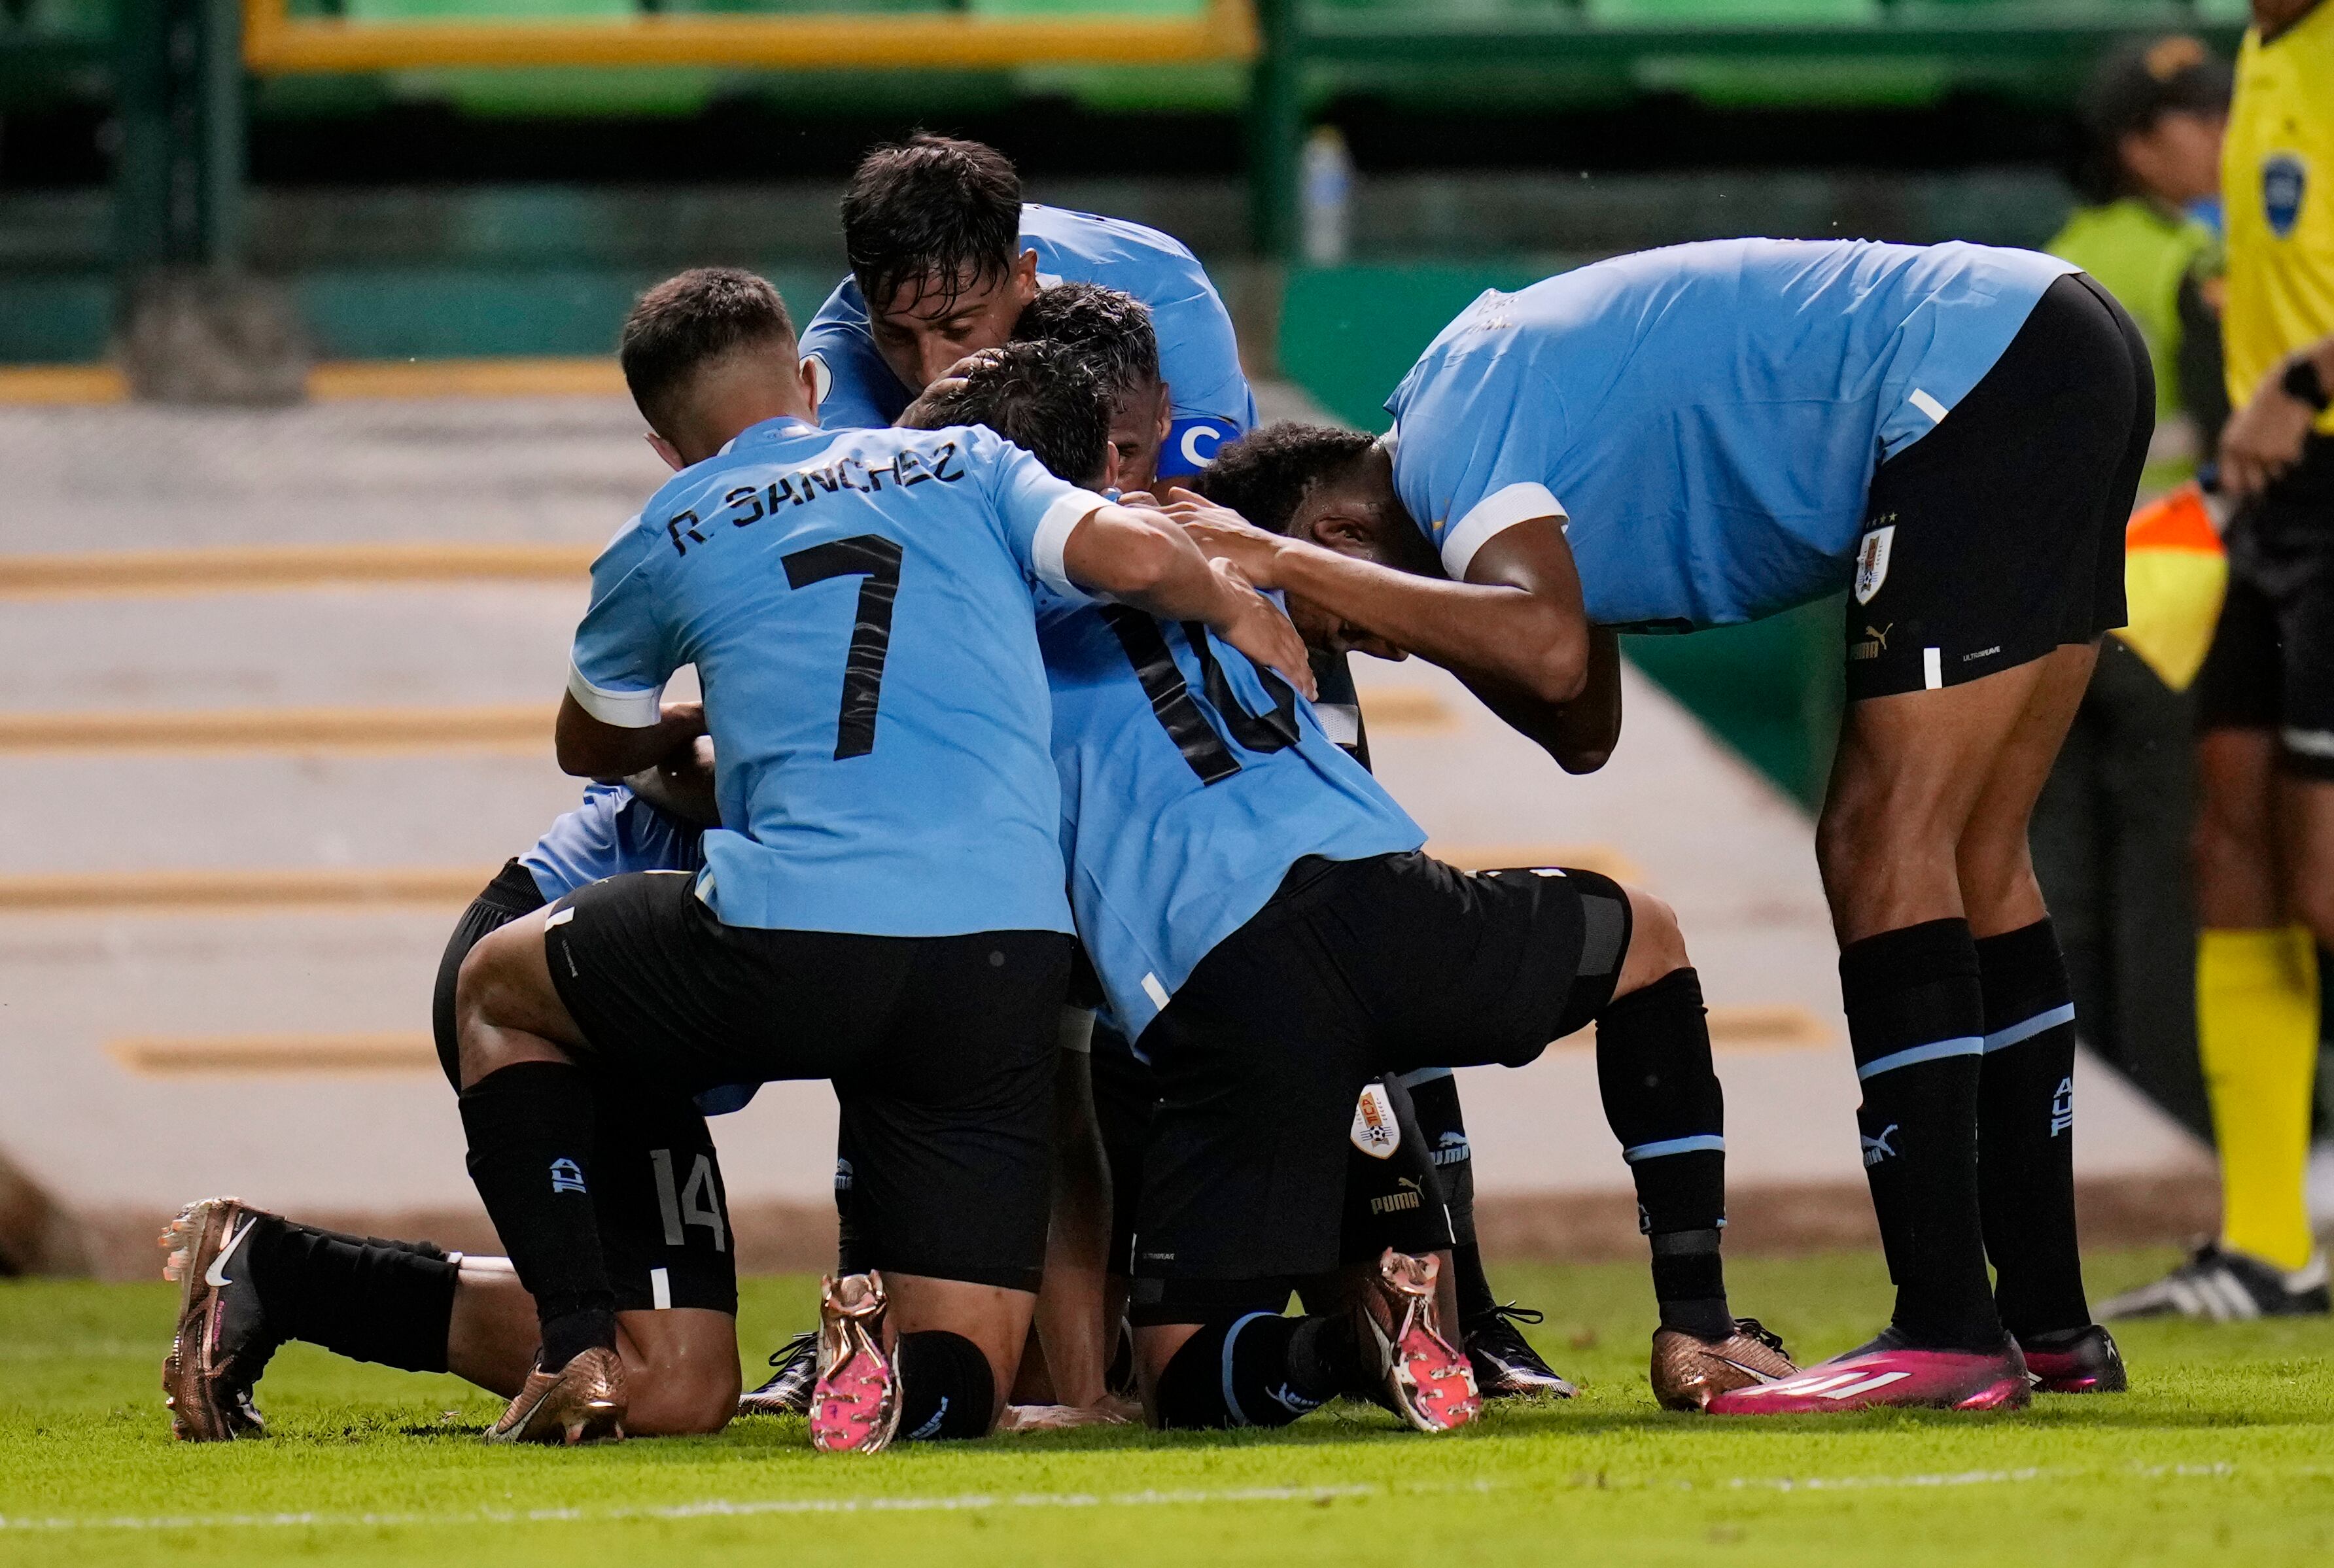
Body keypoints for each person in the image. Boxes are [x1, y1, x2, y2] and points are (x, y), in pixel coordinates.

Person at [1189, 235, 2157, 1412]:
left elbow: (1548, 650)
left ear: (1337, 535)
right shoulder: (1482, 425)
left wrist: (1282, 568)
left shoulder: (1447, 439)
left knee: (1875, 837)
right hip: (2048, 341)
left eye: (1341, 620)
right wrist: (1408, 604)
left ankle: (1948, 1326)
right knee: (1979, 851)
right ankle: (2050, 1324)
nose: (1376, 647)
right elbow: (1581, 722)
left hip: (1967, 376)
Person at [447, 266, 1310, 1450]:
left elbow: (587, 740)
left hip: (791, 940)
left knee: (494, 984)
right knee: (960, 1386)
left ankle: (577, 1345)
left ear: (663, 445)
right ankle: (902, 1368)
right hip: (999, 956)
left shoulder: (669, 528)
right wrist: (1236, 604)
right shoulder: (965, 461)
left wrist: (692, 727)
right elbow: (1137, 557)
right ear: (809, 382)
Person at [890, 345, 1792, 1429]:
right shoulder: (1200, 545)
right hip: (1382, 899)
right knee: (1644, 936)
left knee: (1182, 1370)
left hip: (1219, 978)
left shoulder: (967, 621)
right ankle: (1698, 1323)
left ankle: (1346, 1346)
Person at [1008, 281, 1574, 1401]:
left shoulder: (1232, 555)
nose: (1110, 476)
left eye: (1130, 448)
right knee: (1073, 1104)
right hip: (1148, 962)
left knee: (1363, 1029)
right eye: (1090, 453)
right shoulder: (1025, 573)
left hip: (1251, 966)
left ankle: (1437, 1326)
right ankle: (1090, 1383)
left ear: (1163, 418)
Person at [160, 767, 744, 1444]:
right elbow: (612, 741)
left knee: (684, 1381)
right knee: (674, 1385)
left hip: (657, 977)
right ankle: (281, 1276)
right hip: (567, 963)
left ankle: (277, 1274)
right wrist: (725, 769)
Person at [2102, 0, 2334, 1321]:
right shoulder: (2262, 46)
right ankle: (2268, 1246)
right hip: (2273, 499)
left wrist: (2304, 381)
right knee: (2229, 847)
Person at [2030, 35, 2233, 1138]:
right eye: (2196, 119)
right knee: (2166, 878)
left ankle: (2077, 1122)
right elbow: (2238, 437)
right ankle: (2170, 1122)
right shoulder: (2190, 264)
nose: (2220, 138)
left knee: (2060, 877)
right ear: (2136, 148)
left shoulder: (2056, 259)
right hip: (2170, 611)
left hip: (2055, 609)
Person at [799, 133, 1253, 483]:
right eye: (896, 336)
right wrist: (906, 444)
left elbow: (1203, 519)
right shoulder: (838, 354)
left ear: (1023, 278)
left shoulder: (1164, 293)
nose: (930, 370)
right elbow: (841, 532)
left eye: (959, 328)